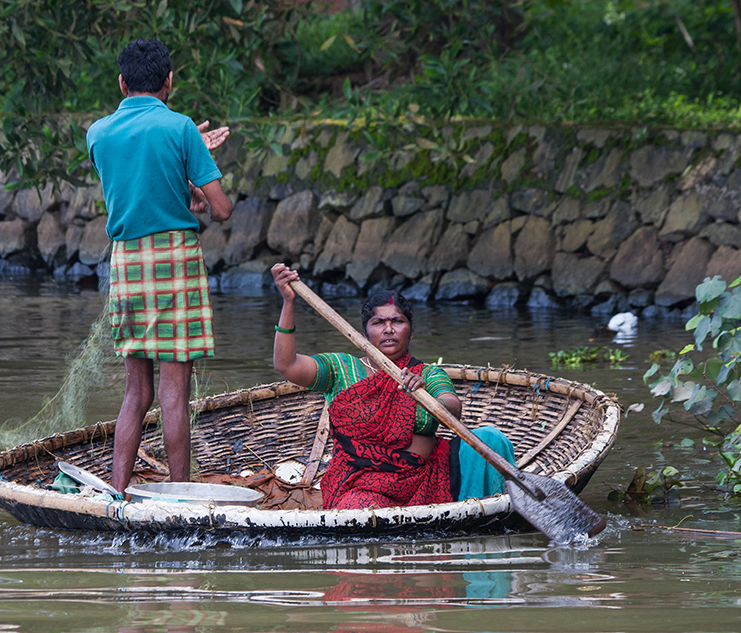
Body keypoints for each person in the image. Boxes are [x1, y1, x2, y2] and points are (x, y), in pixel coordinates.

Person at [87, 38, 234, 493]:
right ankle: (181, 494)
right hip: (174, 258)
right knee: (174, 394)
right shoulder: (182, 128)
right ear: (169, 81)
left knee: (137, 391)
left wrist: (185, 167)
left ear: (121, 81)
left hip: (127, 263)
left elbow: (138, 190)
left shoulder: (98, 133)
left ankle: (117, 491)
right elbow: (221, 210)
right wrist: (196, 162)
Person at [270, 263, 515, 509]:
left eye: (397, 321)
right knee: (362, 508)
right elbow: (287, 365)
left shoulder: (427, 374)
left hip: (429, 480)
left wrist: (424, 397)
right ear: (365, 331)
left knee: (490, 438)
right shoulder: (340, 368)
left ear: (410, 330)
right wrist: (289, 303)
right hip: (361, 484)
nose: (389, 330)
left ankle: (485, 513)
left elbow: (453, 408)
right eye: (378, 322)